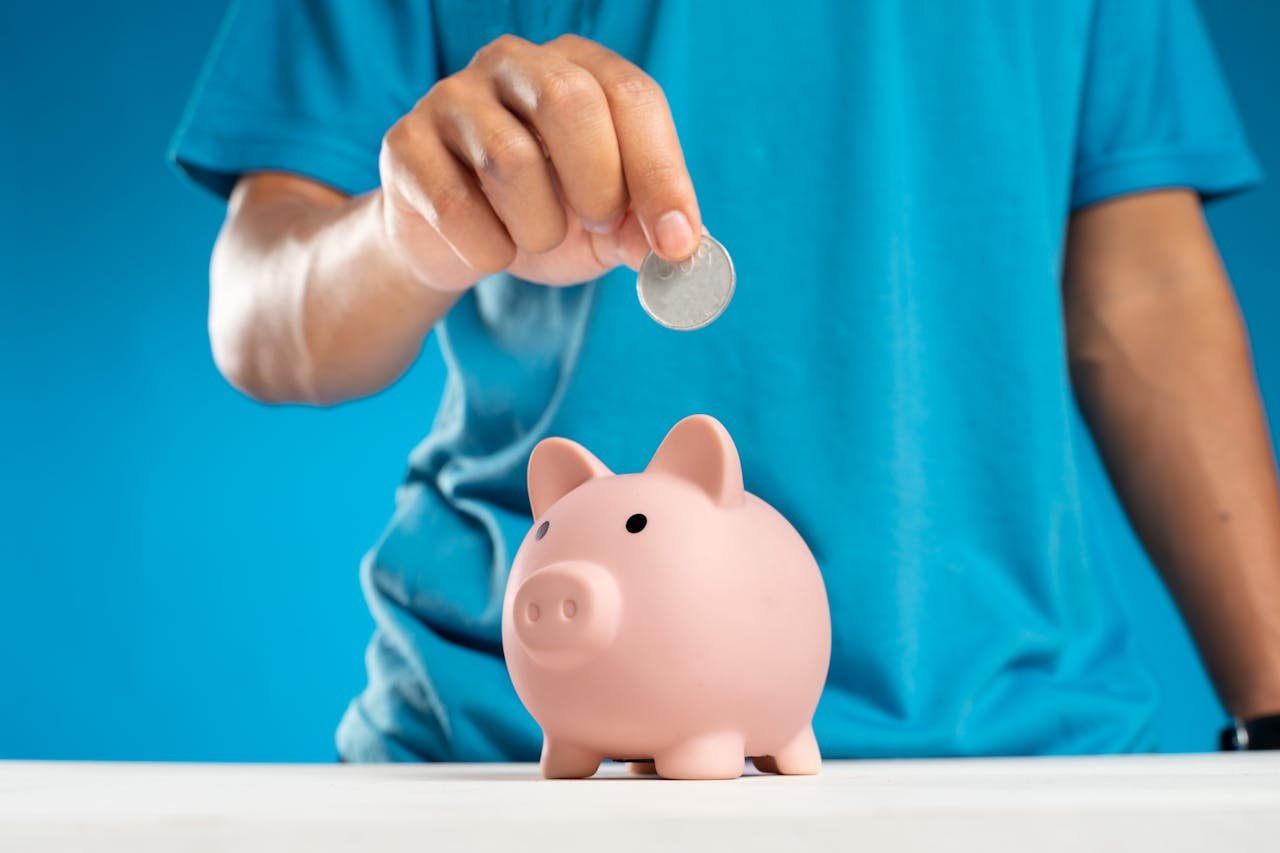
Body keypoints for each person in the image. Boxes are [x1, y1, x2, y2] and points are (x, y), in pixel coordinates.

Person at [171, 0, 1280, 761]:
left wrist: (1271, 710)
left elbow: (1140, 289)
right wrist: (411, 237)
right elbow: (258, 313)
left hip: (1021, 741)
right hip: (513, 743)